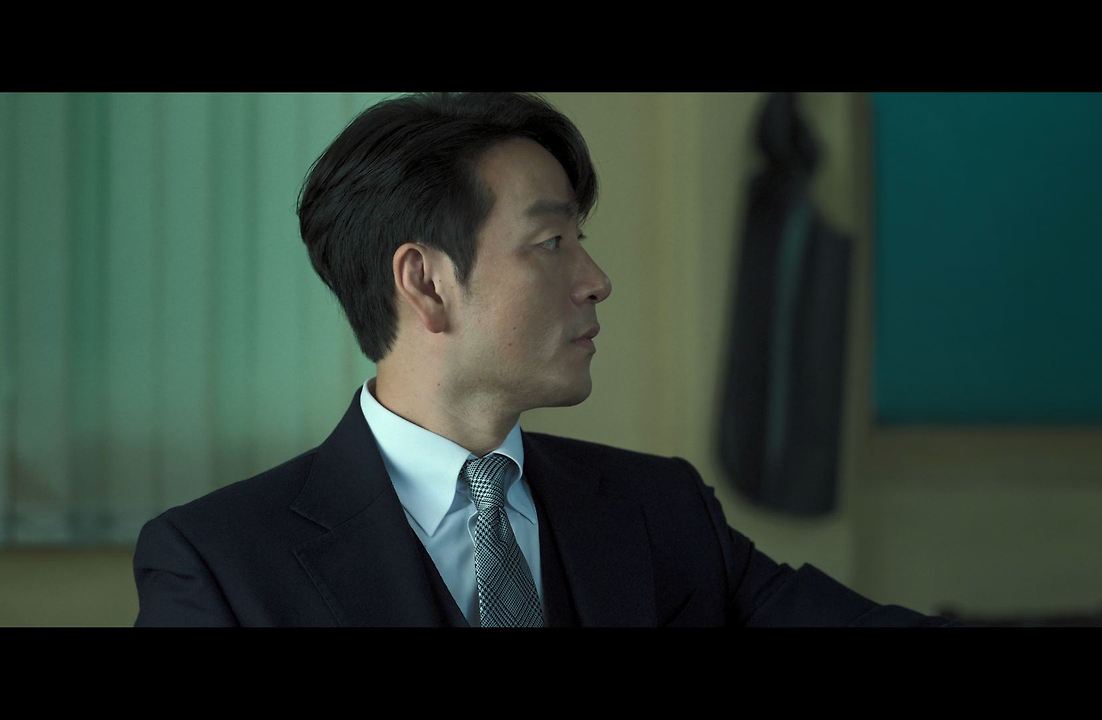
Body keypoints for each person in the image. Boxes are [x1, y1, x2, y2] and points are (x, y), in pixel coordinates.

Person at [132, 92, 949, 627]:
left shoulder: (660, 511)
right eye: (551, 242)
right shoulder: (220, 564)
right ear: (426, 283)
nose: (596, 280)